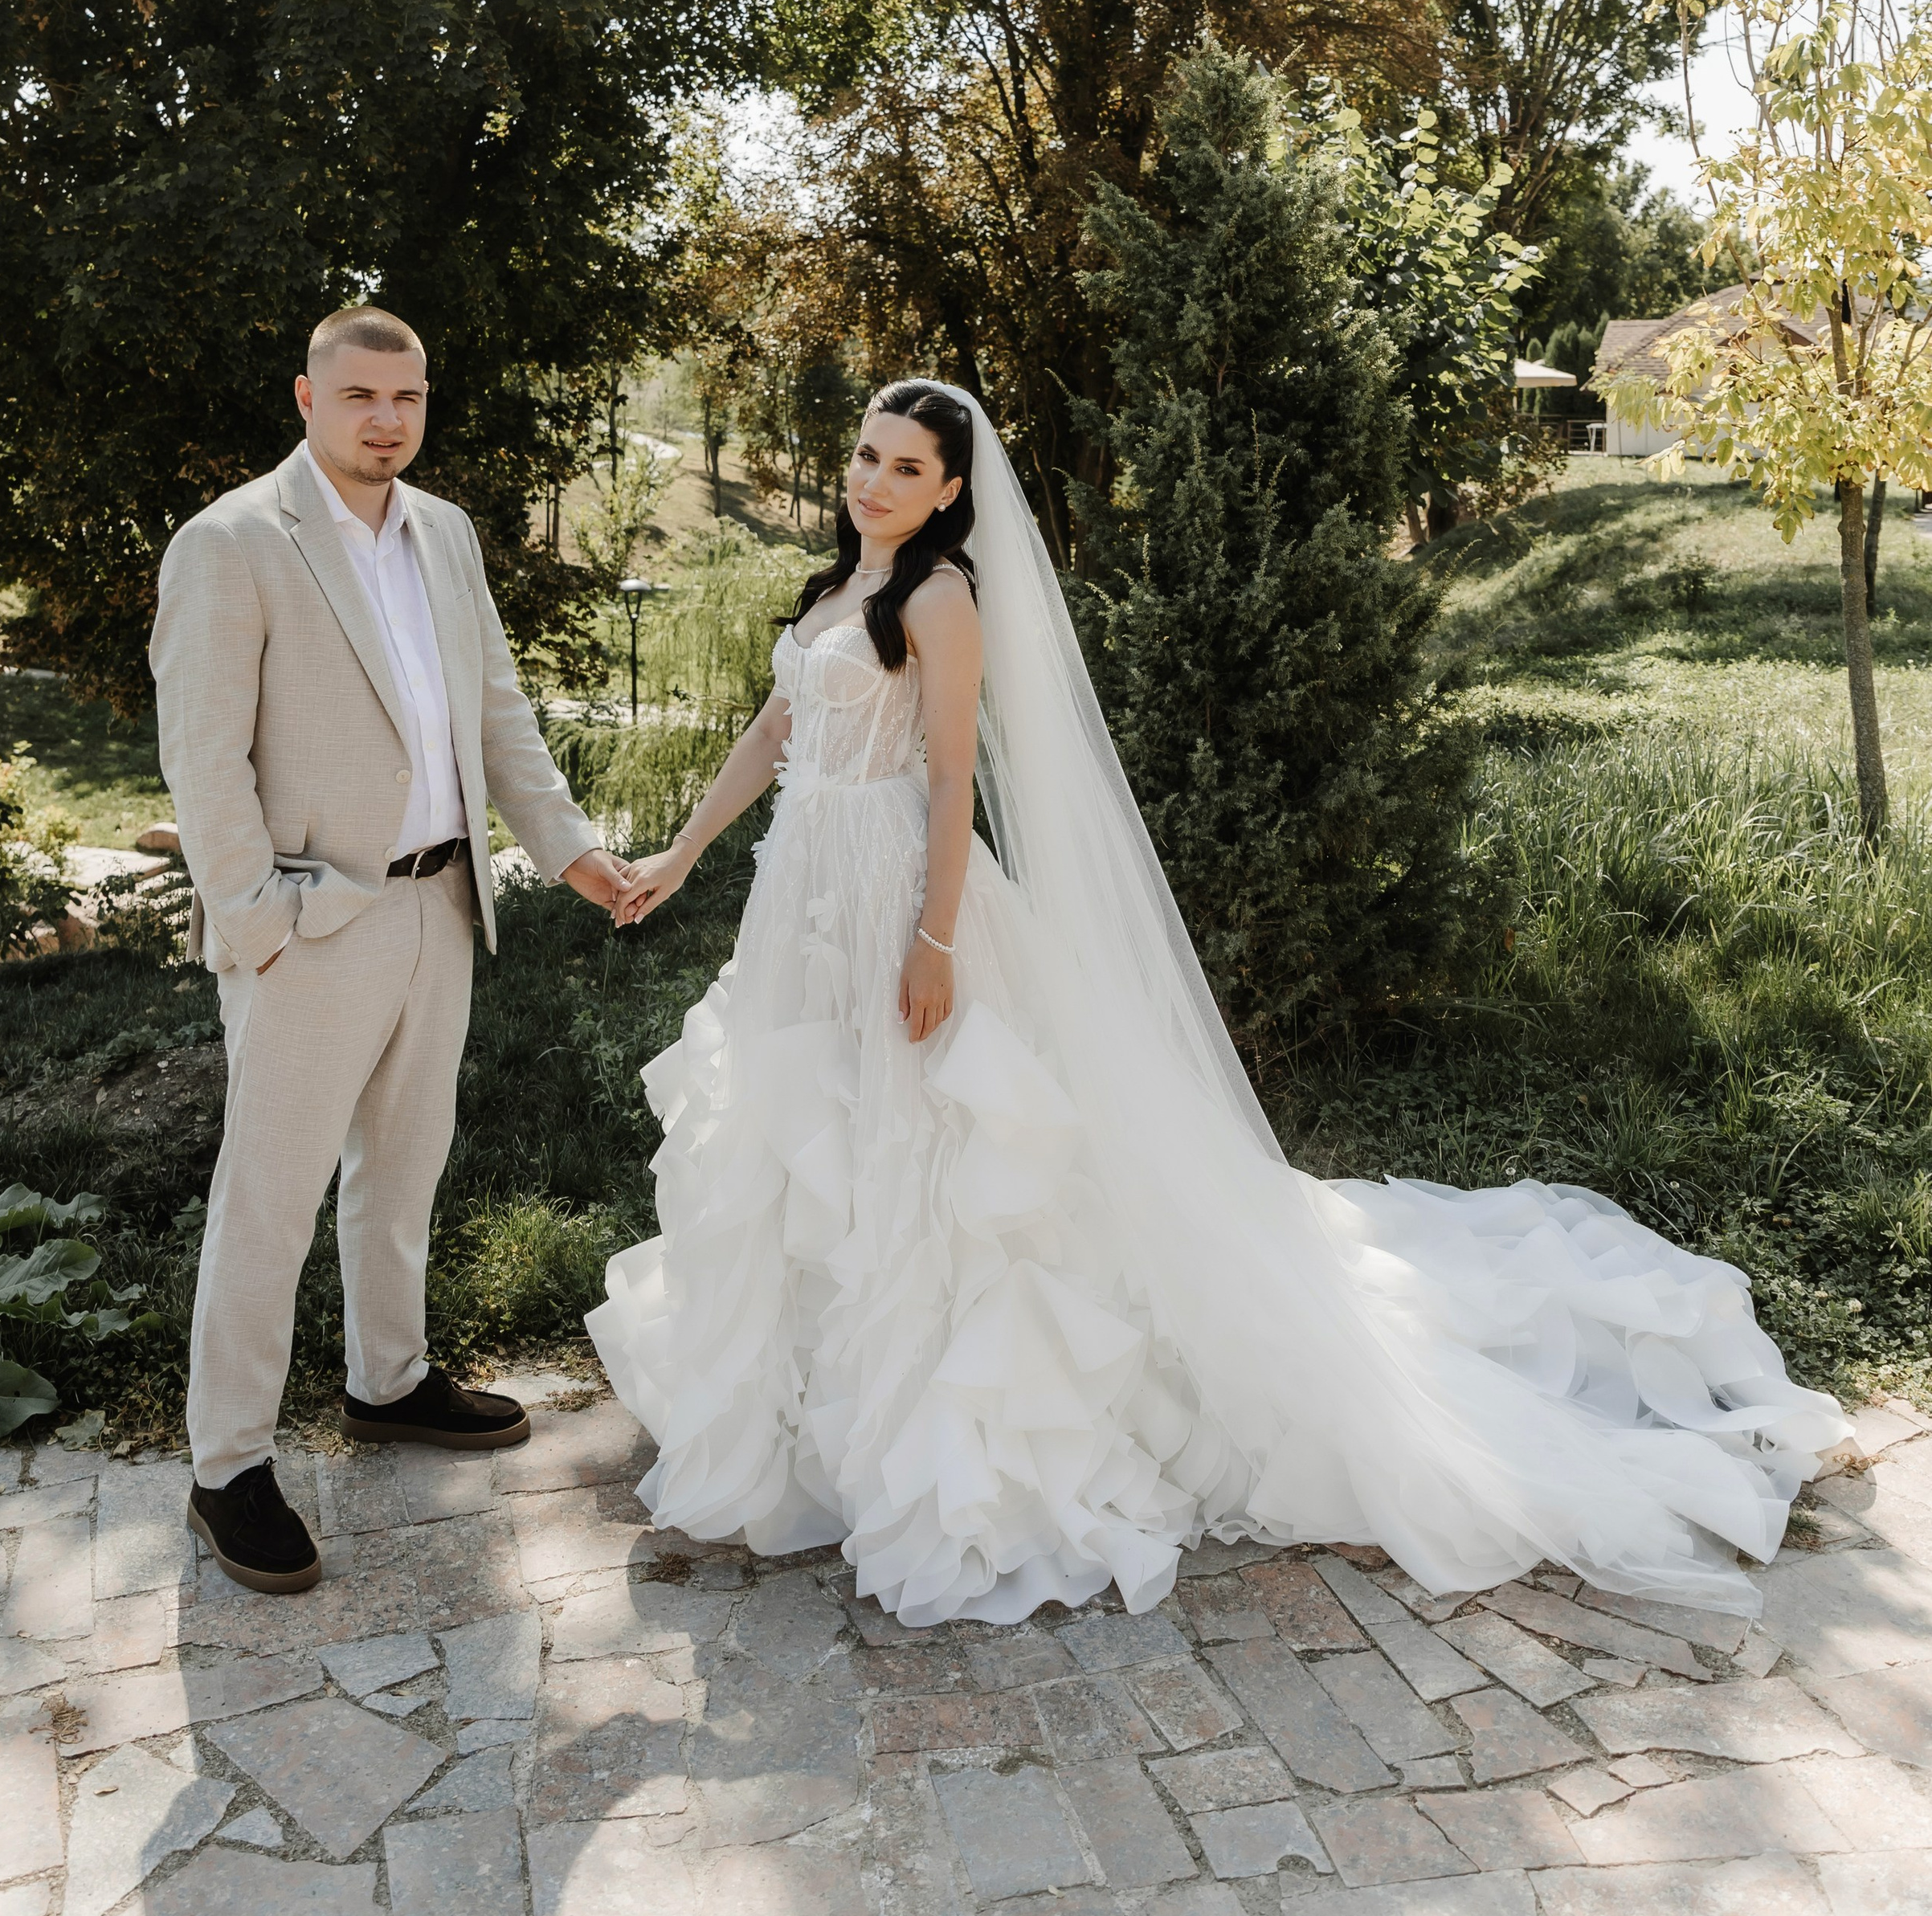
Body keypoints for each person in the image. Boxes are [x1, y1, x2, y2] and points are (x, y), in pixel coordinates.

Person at [587, 379, 1846, 1629]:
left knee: (934, 1157)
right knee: (813, 1138)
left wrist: (935, 940)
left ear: (953, 491)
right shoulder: (839, 590)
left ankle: (945, 1437)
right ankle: (812, 1422)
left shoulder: (940, 596)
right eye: (865, 456)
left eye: (905, 468)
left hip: (897, 903)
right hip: (799, 903)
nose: (872, 482)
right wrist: (680, 855)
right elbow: (775, 731)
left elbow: (956, 780)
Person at [151, 306, 633, 1594]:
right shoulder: (234, 543)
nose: (386, 419)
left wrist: (568, 850)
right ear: (305, 399)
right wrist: (258, 924)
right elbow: (202, 762)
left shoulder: (447, 533)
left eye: (407, 397)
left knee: (403, 1167)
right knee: (271, 1196)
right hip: (314, 923)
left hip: (441, 905)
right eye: (360, 395)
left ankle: (389, 1380)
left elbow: (496, 710)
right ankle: (228, 1464)